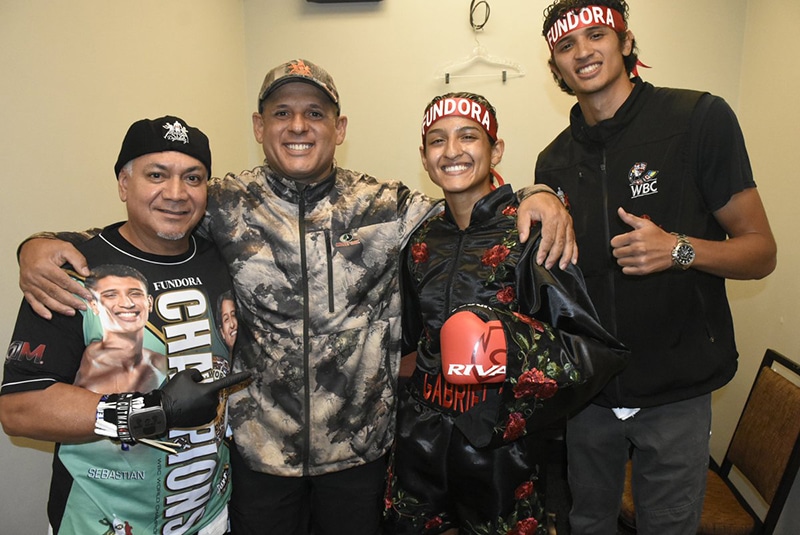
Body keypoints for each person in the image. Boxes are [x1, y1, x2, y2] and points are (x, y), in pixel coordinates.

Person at [16, 59, 575, 535]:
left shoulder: (388, 206)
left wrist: (541, 192)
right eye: (282, 113)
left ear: (339, 127)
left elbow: (468, 212)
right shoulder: (222, 203)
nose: (298, 126)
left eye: (315, 113)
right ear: (259, 126)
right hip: (258, 457)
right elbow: (143, 227)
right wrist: (37, 245)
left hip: (360, 456)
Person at [535, 2, 777, 534]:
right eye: (565, 46)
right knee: (587, 523)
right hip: (591, 396)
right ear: (555, 67)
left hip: (676, 390)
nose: (582, 52)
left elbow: (761, 251)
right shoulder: (552, 161)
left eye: (596, 34)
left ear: (625, 42)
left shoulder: (698, 119)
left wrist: (680, 249)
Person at [384, 92, 628, 535]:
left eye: (468, 136)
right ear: (423, 156)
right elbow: (410, 345)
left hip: (501, 461)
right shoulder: (421, 240)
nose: (452, 150)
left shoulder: (532, 231)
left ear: (496, 149)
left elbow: (592, 351)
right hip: (420, 454)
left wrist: (507, 350)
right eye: (437, 140)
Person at [0, 115, 250, 535]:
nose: (176, 193)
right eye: (156, 175)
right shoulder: (75, 272)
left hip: (208, 515)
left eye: (193, 178)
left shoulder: (223, 258)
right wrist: (150, 411)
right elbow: (19, 409)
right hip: (99, 522)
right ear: (123, 184)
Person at [75, 264, 168, 393]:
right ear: (94, 306)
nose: (127, 304)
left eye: (135, 294)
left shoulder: (162, 363)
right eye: (111, 295)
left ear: (150, 303)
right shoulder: (88, 366)